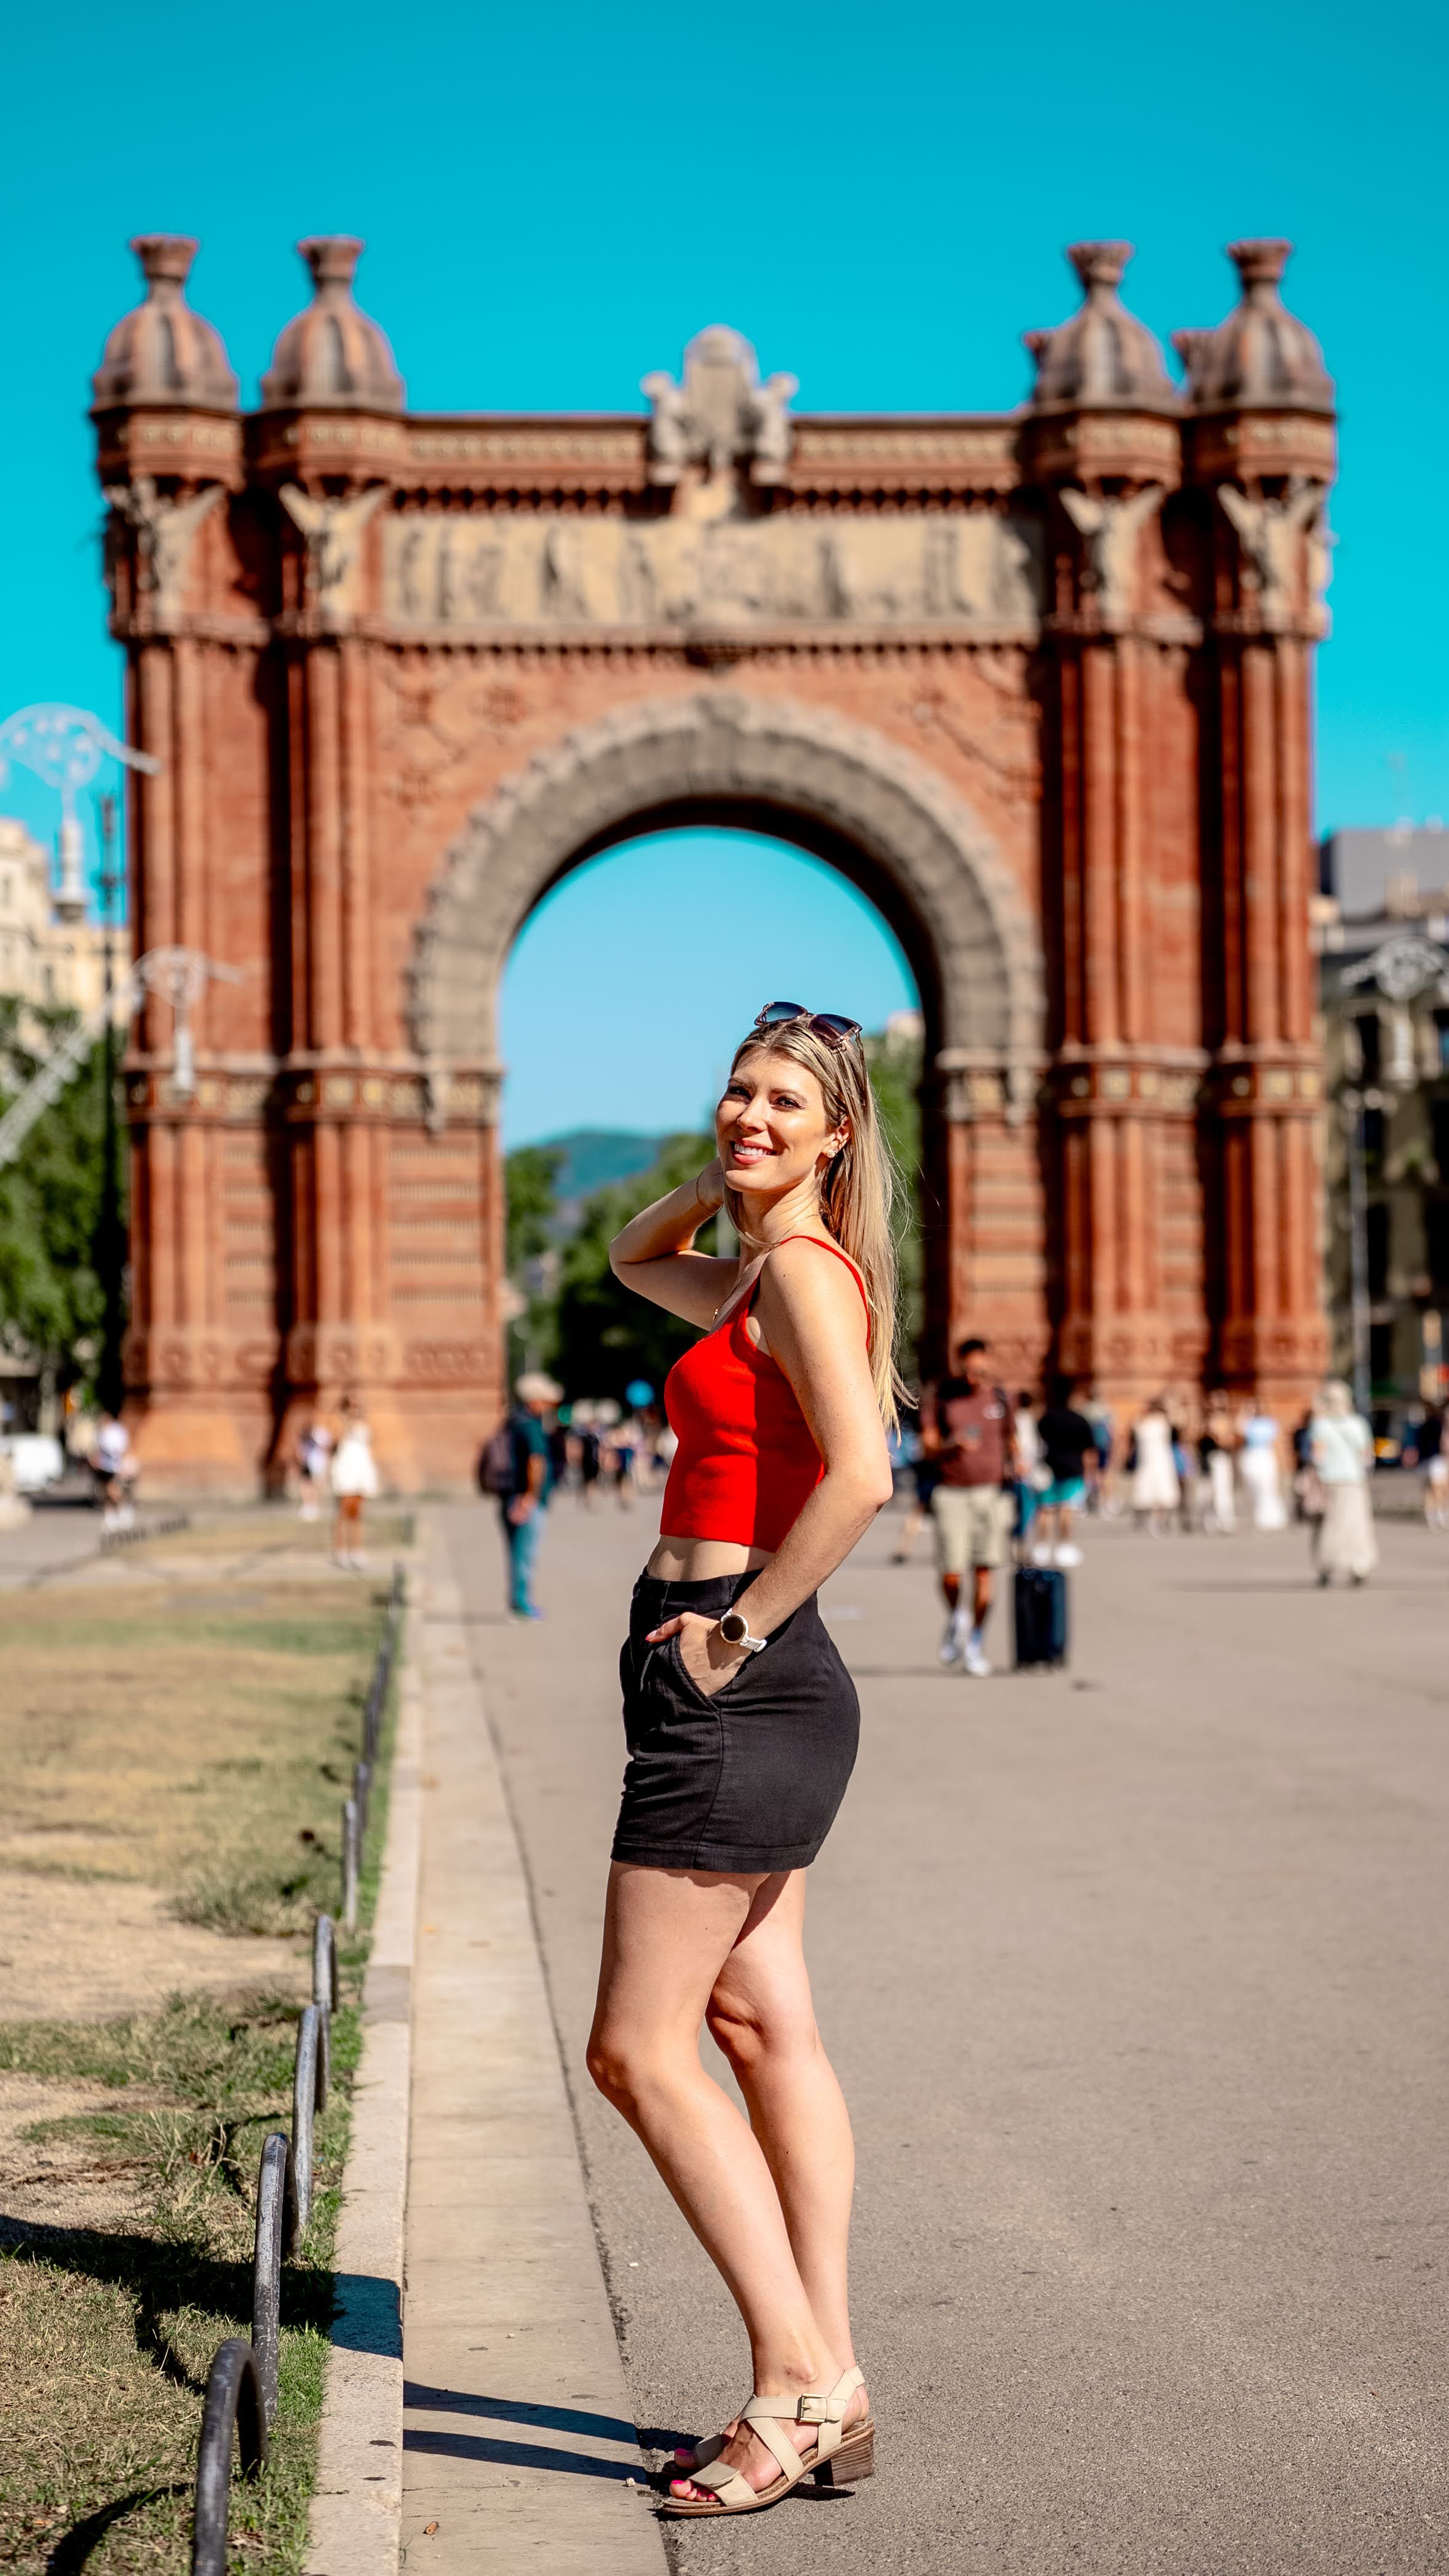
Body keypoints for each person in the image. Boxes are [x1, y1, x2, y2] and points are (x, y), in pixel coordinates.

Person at [587, 999, 895, 2518]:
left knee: (637, 2049)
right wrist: (727, 1174)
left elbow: (862, 1472)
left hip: (735, 1669)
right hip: (736, 1668)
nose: (747, 1111)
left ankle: (791, 2382)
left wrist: (733, 1632)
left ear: (841, 1133)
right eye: (734, 1089)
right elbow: (628, 1259)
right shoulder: (748, 1272)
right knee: (765, 2032)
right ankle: (828, 2371)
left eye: (784, 1100)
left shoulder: (803, 1277)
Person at [920, 1338, 1014, 1676]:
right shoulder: (942, 1396)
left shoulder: (1002, 1397)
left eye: (981, 1369)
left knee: (985, 1570)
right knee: (951, 1572)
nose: (975, 1376)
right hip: (952, 1493)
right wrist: (950, 1446)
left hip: (991, 1495)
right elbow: (927, 1448)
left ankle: (975, 1640)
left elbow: (1012, 1440)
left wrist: (1020, 1467)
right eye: (969, 1369)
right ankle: (957, 1617)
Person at [499, 1371, 561, 1617]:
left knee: (516, 1551)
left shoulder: (512, 1421)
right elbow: (536, 1462)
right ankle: (522, 1603)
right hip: (525, 1498)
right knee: (525, 1553)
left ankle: (518, 1600)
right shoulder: (531, 1425)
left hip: (509, 1494)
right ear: (534, 1400)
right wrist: (531, 1496)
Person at [1308, 1379, 1378, 1586]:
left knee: (1329, 1524)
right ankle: (1359, 1564)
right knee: (1356, 1523)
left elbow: (1317, 1456)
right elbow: (1367, 1455)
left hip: (1328, 1481)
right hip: (1354, 1480)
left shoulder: (1320, 1425)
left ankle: (1327, 1565)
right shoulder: (1358, 1424)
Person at [1031, 1376, 1099, 1567]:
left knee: (1045, 1509)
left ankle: (1042, 1548)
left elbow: (1038, 1444)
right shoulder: (1080, 1421)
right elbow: (1089, 1452)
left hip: (1048, 1468)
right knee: (1067, 1509)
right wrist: (1090, 1475)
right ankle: (1064, 1546)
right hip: (1072, 1469)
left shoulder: (1046, 1418)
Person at [330, 1398, 378, 1569]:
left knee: (357, 1513)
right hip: (346, 1470)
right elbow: (334, 1442)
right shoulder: (339, 1424)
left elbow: (371, 1440)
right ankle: (341, 1551)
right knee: (343, 1512)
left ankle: (356, 1550)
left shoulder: (363, 1425)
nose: (355, 1411)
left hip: (361, 1470)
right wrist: (345, 1419)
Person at [1130, 1395, 1179, 1534]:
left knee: (1162, 1491)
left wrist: (1172, 1406)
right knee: (1148, 1491)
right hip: (1147, 1460)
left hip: (1161, 1460)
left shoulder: (1164, 1421)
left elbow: (1179, 1422)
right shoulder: (1142, 1422)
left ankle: (1158, 1520)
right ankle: (1151, 1519)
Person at [1238, 1403, 1288, 1532]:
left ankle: (1271, 1518)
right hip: (1252, 1455)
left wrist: (1281, 1462)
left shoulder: (1269, 1423)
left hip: (1265, 1455)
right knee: (1254, 1486)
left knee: (1268, 1486)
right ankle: (1259, 1516)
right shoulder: (1248, 1422)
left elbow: (1277, 1443)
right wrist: (1245, 1412)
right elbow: (1239, 1429)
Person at [1402, 1403, 1448, 1530]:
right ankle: (1439, 1516)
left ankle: (1432, 1518)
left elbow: (1414, 1445)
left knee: (1429, 1491)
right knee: (1437, 1490)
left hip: (1424, 1462)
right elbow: (1442, 1443)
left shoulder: (1420, 1427)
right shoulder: (1437, 1425)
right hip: (1434, 1460)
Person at [90, 1411, 138, 1531]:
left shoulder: (117, 1431)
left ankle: (123, 1509)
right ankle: (111, 1516)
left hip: (116, 1466)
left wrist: (124, 1466)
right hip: (105, 1467)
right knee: (106, 1491)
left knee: (113, 1490)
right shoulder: (100, 1432)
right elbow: (98, 1449)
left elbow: (124, 1449)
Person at [1199, 1393, 1238, 1532]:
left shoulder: (1226, 1421)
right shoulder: (1205, 1421)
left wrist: (1217, 1436)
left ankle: (1225, 1520)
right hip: (1210, 1459)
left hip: (1222, 1458)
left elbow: (1229, 1442)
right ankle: (1211, 1521)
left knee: (1223, 1490)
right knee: (1210, 1491)